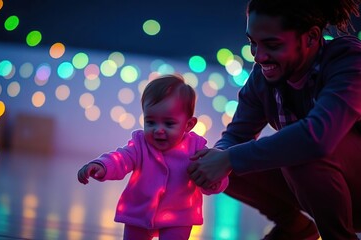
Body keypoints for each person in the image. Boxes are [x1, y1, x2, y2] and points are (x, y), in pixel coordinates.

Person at [187, 0, 361, 239]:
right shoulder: (264, 78)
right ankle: (295, 229)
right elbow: (236, 136)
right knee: (226, 164)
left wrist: (229, 158)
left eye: (272, 45)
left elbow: (318, 137)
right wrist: (216, 158)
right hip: (327, 182)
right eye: (253, 43)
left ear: (311, 37)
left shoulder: (348, 61)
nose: (259, 57)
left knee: (298, 150)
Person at [77, 74, 229, 240]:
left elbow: (211, 171)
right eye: (151, 122)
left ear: (188, 124)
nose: (158, 130)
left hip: (179, 217)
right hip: (139, 212)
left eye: (169, 123)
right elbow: (122, 158)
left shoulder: (195, 149)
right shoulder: (140, 144)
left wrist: (214, 182)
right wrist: (103, 166)